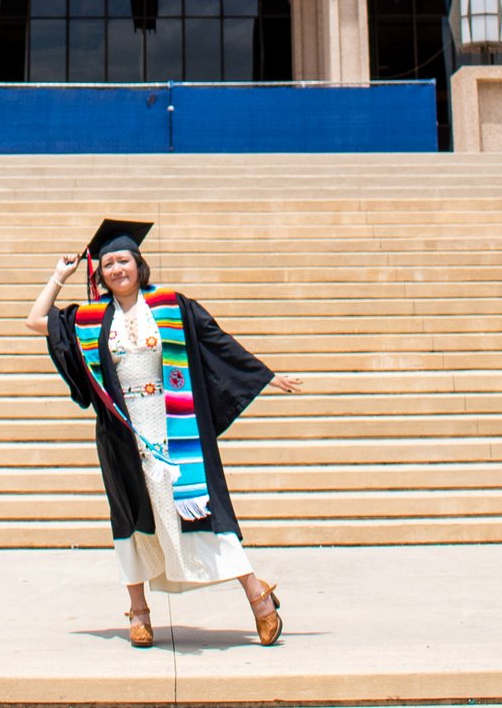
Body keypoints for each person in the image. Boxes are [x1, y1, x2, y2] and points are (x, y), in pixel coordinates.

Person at [24, 219, 304, 650]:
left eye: (124, 261)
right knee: (133, 520)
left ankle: (257, 595)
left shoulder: (173, 307)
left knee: (202, 515)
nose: (117, 269)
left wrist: (264, 374)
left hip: (175, 426)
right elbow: (35, 320)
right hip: (123, 433)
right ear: (99, 273)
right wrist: (59, 276)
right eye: (108, 264)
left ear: (139, 264)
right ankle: (139, 612)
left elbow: (217, 342)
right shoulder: (90, 318)